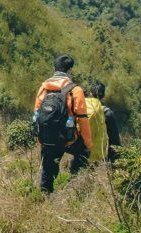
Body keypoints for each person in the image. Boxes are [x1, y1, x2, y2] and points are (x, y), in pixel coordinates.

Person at [33, 55, 92, 194]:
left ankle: (45, 196)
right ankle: (75, 184)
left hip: (47, 138)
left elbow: (37, 113)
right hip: (67, 138)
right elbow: (83, 119)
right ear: (70, 70)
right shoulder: (75, 90)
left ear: (54, 68)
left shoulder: (43, 88)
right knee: (83, 152)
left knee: (48, 169)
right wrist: (88, 143)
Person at [90, 82, 121, 163]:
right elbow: (115, 141)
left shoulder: (81, 108)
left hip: (80, 152)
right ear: (103, 96)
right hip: (99, 156)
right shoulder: (107, 112)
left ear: (90, 94)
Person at [83, 83, 109, 163]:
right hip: (96, 154)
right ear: (103, 96)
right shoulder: (105, 112)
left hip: (76, 146)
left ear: (90, 93)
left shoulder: (82, 103)